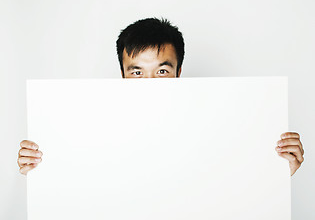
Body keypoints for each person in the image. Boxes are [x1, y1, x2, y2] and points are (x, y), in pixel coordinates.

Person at [17, 18, 305, 176]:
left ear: (179, 72)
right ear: (122, 74)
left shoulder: (216, 127)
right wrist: (38, 170)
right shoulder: (90, 130)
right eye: (138, 72)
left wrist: (279, 170)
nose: (150, 83)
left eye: (162, 71)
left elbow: (233, 185)